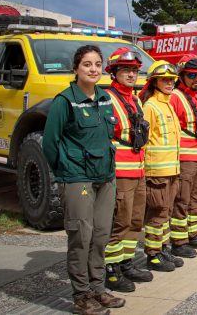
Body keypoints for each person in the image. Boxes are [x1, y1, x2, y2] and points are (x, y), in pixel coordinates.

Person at [43, 45, 126, 314]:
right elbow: (50, 143)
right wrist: (66, 172)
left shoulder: (104, 98)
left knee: (101, 236)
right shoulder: (64, 101)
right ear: (76, 69)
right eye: (87, 64)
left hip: (105, 177)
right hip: (77, 178)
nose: (93, 69)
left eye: (97, 64)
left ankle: (97, 290)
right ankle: (81, 296)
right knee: (81, 237)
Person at [103, 48, 152, 294]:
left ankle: (126, 262)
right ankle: (110, 270)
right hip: (120, 170)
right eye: (126, 70)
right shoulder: (106, 98)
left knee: (135, 220)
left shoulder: (135, 98)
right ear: (114, 71)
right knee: (120, 221)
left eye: (134, 70)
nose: (132, 75)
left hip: (138, 167)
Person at [169, 55, 197, 257]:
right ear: (182, 76)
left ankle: (193, 234)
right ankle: (179, 240)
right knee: (182, 199)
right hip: (185, 157)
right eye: (192, 75)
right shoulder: (176, 97)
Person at [140, 61, 182, 271]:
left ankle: (163, 248)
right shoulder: (150, 106)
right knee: (156, 213)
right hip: (157, 171)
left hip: (172, 170)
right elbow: (145, 141)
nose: (169, 83)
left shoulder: (168, 104)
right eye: (165, 79)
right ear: (154, 81)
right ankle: (153, 254)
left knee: (166, 211)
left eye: (172, 80)